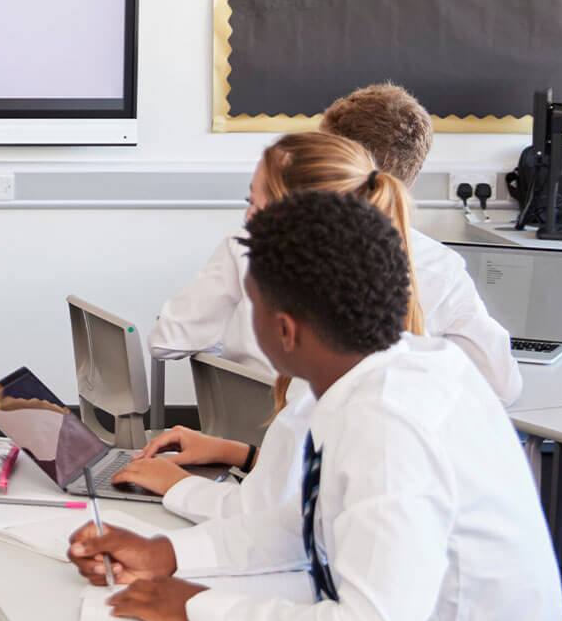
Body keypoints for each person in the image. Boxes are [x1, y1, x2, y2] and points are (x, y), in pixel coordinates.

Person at [70, 192, 562, 621]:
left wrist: (198, 607)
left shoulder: (390, 420)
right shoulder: (389, 370)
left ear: (281, 329)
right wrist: (170, 555)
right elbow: (306, 522)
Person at [117, 132, 497, 524]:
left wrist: (177, 488)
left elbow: (281, 526)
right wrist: (239, 453)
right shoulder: (348, 367)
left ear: (284, 324)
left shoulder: (371, 405)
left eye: (254, 203)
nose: (247, 218)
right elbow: (306, 494)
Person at [149, 83, 521, 406]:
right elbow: (502, 385)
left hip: (263, 453)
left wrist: (224, 356)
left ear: (328, 158)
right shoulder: (440, 266)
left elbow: (167, 339)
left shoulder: (254, 248)